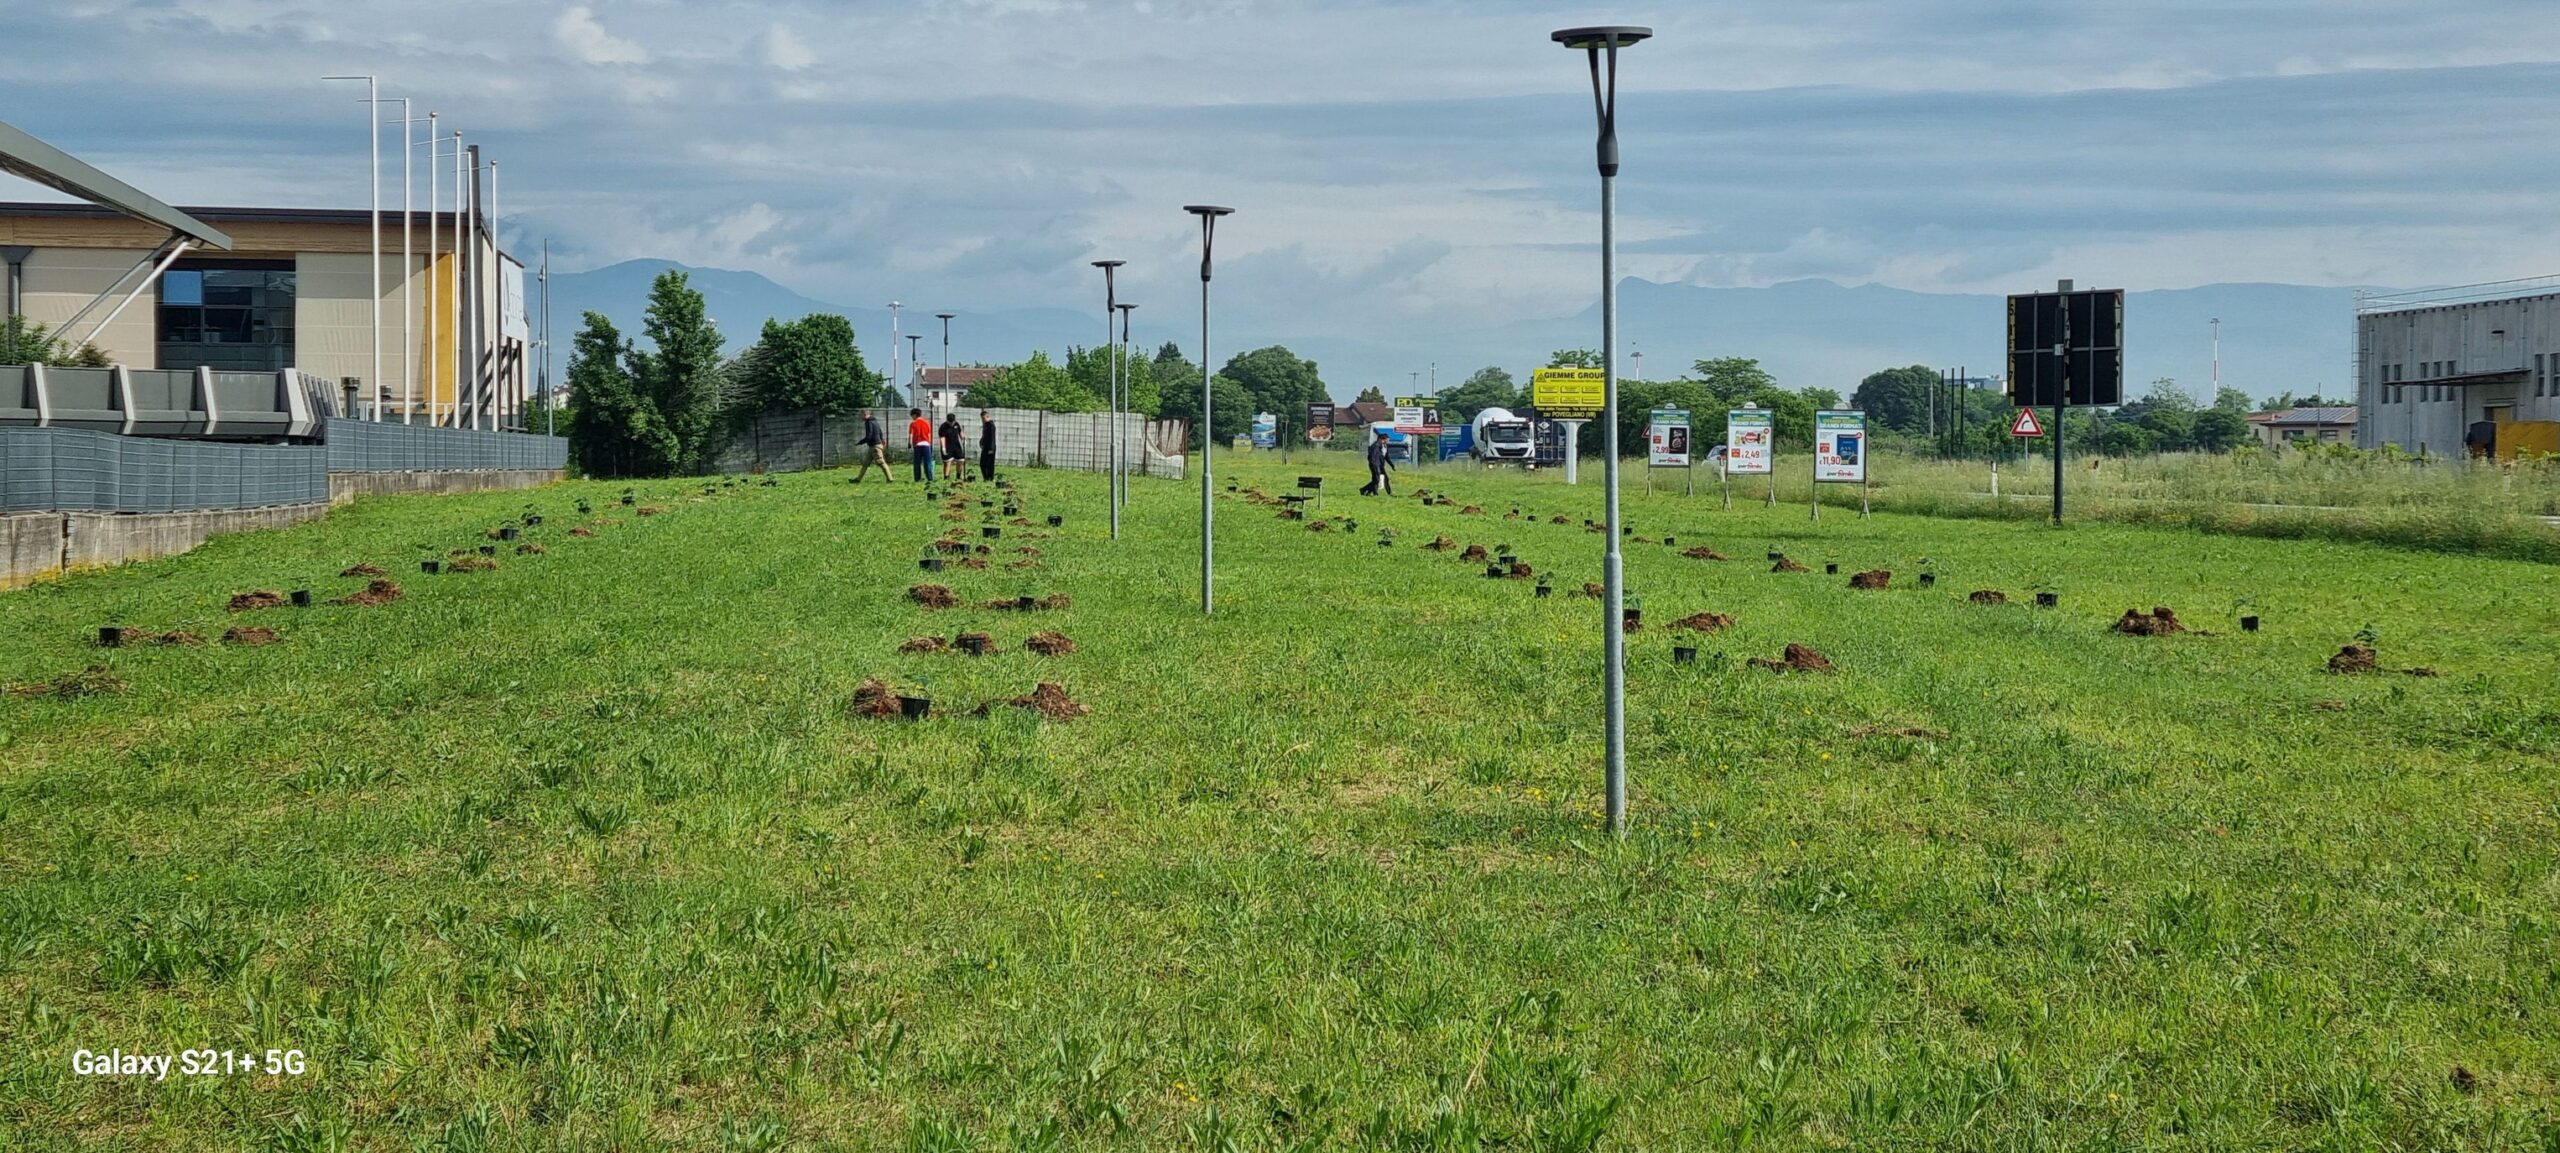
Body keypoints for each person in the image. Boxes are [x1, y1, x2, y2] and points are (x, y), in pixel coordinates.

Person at [853, 410, 893, 483]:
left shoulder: (868, 422)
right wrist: (882, 440)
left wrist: (860, 442)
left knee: (881, 462)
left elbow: (869, 435)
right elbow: (880, 432)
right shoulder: (875, 421)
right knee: (865, 464)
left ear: (864, 414)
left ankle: (890, 479)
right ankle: (858, 479)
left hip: (875, 446)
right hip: (873, 446)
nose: (860, 417)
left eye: (860, 415)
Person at [1361, 429, 1395, 496]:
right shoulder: (1375, 446)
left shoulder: (1384, 446)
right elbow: (1372, 457)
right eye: (1386, 439)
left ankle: (1367, 491)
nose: (1388, 440)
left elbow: (1386, 457)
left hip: (1380, 465)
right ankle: (1371, 492)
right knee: (1376, 479)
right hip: (1375, 465)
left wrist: (1392, 465)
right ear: (1381, 439)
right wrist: (1374, 465)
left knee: (1383, 479)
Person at [907, 408, 935, 482]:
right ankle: (930, 478)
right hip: (926, 444)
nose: (912, 417)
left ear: (915, 415)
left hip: (917, 444)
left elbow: (911, 434)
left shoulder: (913, 423)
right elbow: (929, 434)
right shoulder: (926, 423)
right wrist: (930, 443)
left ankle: (917, 478)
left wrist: (909, 443)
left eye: (912, 416)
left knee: (917, 463)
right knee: (928, 462)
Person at [939, 412, 966, 480]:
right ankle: (946, 477)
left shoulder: (956, 424)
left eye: (952, 422)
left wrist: (963, 439)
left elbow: (960, 432)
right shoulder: (943, 426)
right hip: (947, 446)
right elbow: (942, 437)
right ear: (947, 420)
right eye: (950, 422)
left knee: (961, 460)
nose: (951, 423)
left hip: (956, 446)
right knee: (947, 462)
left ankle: (958, 476)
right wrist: (943, 447)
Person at [978, 410, 998, 482]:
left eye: (983, 419)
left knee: (989, 464)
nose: (982, 420)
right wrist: (981, 442)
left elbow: (992, 438)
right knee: (983, 463)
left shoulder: (991, 425)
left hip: (990, 448)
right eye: (981, 419)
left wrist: (991, 449)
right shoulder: (985, 425)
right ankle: (986, 478)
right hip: (985, 447)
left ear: (988, 417)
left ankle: (989, 478)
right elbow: (985, 436)